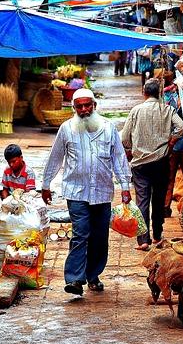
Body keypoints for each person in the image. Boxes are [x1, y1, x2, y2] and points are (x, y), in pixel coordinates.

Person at [41, 88, 132, 296]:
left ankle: (93, 275)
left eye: (87, 105)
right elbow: (55, 157)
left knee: (99, 236)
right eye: (79, 106)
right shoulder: (66, 129)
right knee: (80, 233)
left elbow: (119, 158)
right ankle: (74, 279)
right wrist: (46, 184)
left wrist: (125, 187)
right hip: (76, 192)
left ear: (94, 106)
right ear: (74, 108)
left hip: (102, 192)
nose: (84, 110)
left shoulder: (109, 128)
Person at [121, 78, 183, 251]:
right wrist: (171, 142)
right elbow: (181, 127)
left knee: (142, 201)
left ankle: (143, 240)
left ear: (144, 92)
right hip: (161, 162)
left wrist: (130, 149)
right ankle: (157, 235)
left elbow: (124, 138)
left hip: (140, 164)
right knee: (158, 200)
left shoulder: (136, 111)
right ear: (159, 93)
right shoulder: (167, 109)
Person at [163, 83, 183, 218]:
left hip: (177, 145)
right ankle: (180, 208)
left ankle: (175, 208)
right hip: (182, 145)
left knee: (174, 178)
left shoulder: (171, 100)